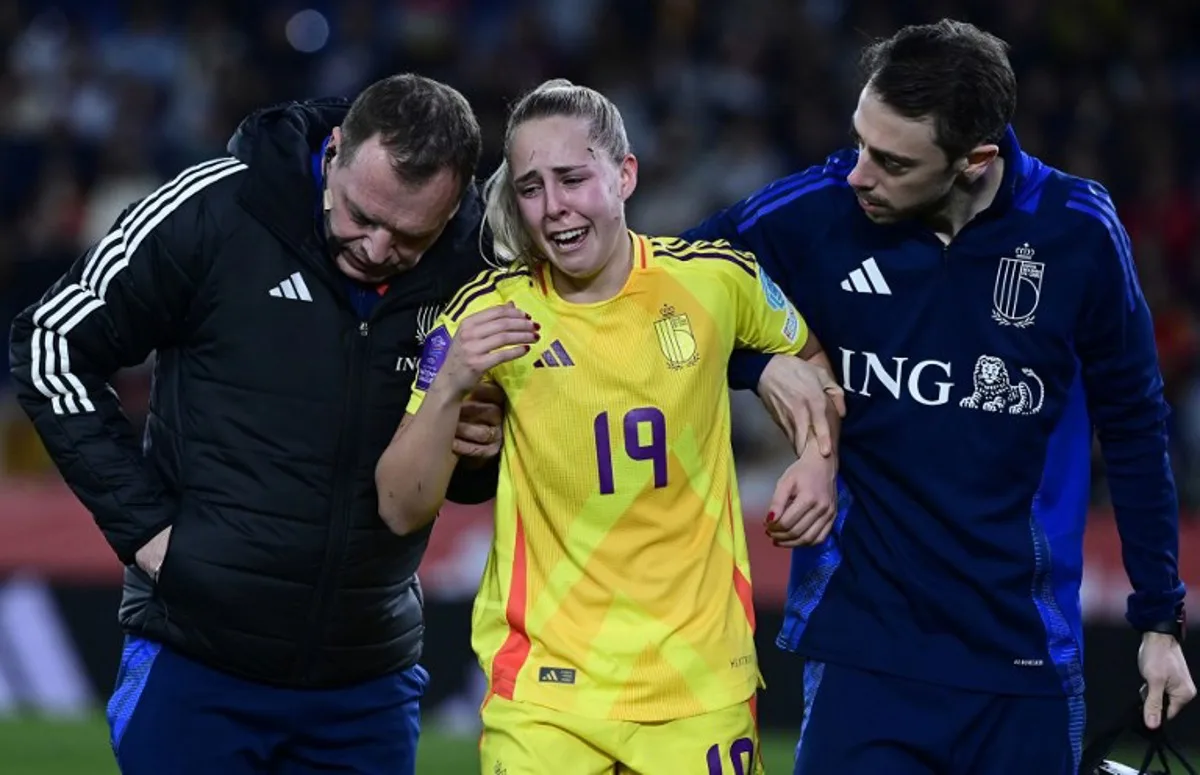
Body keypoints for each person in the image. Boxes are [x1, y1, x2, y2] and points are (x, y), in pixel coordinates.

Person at [684, 19, 1197, 775]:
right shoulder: (815, 211)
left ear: (975, 160)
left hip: (1022, 658)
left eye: (891, 161)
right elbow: (667, 296)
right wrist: (764, 365)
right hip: (866, 652)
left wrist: (1159, 618)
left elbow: (1135, 423)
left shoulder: (1077, 231)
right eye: (860, 141)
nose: (859, 173)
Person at [9, 74, 507, 775]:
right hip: (199, 663)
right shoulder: (219, 206)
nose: (373, 246)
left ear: (453, 205)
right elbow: (51, 343)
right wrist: (146, 530)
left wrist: (480, 448)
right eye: (361, 215)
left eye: (407, 236)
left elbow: (458, 473)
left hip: (366, 680)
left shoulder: (477, 258)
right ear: (334, 151)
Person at [374, 79, 842, 775]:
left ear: (624, 174)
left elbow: (813, 366)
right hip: (546, 695)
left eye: (572, 177)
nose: (554, 206)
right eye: (530, 187)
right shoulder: (486, 313)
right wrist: (448, 386)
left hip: (698, 686)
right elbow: (398, 504)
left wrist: (817, 457)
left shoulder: (718, 280)